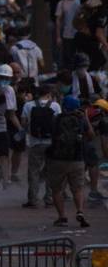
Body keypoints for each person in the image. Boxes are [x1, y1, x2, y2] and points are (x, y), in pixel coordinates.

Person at [46, 96, 93, 228]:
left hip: (57, 159)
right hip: (77, 160)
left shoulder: (56, 119)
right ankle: (80, 211)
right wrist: (86, 118)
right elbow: (91, 136)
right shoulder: (81, 119)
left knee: (56, 190)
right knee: (77, 189)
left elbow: (51, 135)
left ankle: (62, 217)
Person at [21, 84, 60, 209]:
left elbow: (23, 123)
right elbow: (59, 123)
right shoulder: (55, 105)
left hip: (35, 143)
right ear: (49, 94)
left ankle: (33, 199)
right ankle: (49, 199)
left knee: (33, 171)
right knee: (50, 171)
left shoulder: (28, 105)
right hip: (51, 143)